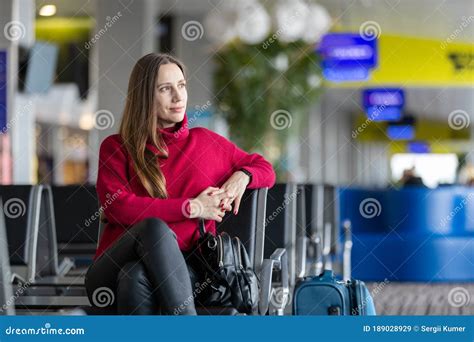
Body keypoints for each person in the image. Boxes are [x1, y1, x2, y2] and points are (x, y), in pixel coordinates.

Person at [85, 53, 276, 315]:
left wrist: (243, 176)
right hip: (110, 270)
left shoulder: (207, 143)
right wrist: (192, 208)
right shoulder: (117, 147)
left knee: (135, 276)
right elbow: (118, 207)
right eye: (165, 89)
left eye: (182, 85)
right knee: (151, 230)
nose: (178, 97)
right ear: (144, 97)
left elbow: (265, 168)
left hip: (186, 273)